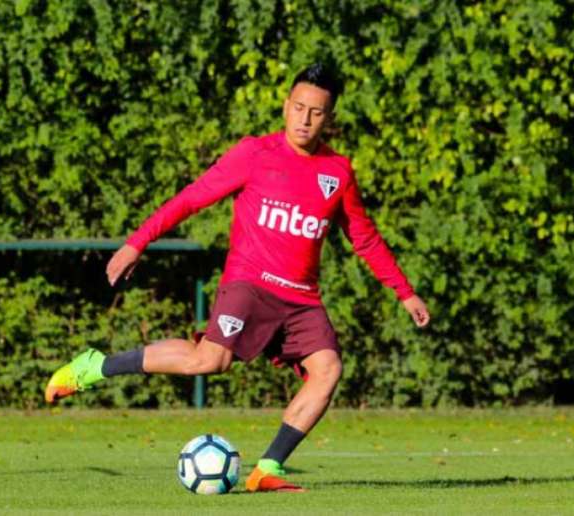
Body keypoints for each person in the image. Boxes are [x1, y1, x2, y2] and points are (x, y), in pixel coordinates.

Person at [44, 63, 430, 493]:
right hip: (251, 282)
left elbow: (365, 237)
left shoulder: (337, 173)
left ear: (329, 118)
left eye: (316, 112)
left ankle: (268, 468)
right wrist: (138, 241)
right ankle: (96, 366)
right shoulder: (255, 154)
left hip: (302, 298)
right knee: (208, 360)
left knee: (328, 369)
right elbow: (191, 199)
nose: (304, 119)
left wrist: (405, 293)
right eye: (298, 108)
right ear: (285, 107)